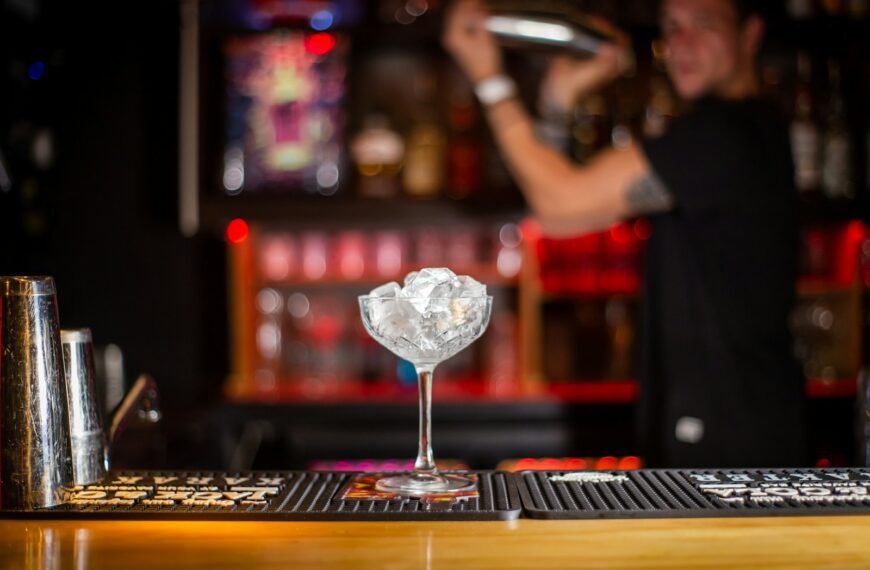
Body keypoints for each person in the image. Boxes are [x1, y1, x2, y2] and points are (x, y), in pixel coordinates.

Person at [443, 0, 805, 468]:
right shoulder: (742, 131)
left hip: (735, 438)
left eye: (704, 25)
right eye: (672, 27)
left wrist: (489, 79)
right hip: (721, 426)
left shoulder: (728, 134)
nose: (682, 43)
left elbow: (560, 201)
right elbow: (559, 216)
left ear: (751, 34)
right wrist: (557, 100)